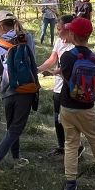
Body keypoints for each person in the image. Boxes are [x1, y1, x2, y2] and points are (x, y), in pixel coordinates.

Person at [58, 17, 95, 190]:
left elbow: (65, 75)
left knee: (70, 143)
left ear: (72, 34)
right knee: (94, 137)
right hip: (87, 107)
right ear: (89, 35)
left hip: (67, 106)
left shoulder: (66, 57)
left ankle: (70, 183)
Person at [0, 10, 39, 174]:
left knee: (12, 128)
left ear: (0, 26)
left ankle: (16, 159)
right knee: (16, 129)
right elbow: (32, 60)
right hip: (25, 89)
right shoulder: (27, 37)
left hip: (8, 90)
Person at [37, 15, 78, 156]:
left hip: (71, 89)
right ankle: (61, 146)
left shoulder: (76, 45)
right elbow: (52, 59)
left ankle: (76, 147)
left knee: (70, 120)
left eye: (59, 29)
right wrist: (38, 69)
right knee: (57, 118)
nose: (57, 32)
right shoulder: (59, 41)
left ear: (69, 29)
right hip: (59, 88)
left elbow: (69, 68)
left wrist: (54, 72)